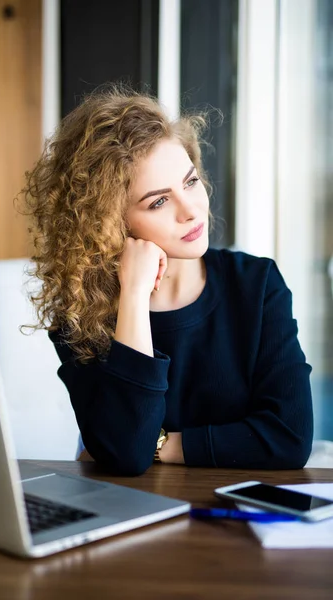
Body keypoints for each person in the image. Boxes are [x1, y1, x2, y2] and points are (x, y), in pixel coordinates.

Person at [21, 85, 313, 476]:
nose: (191, 210)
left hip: (240, 515)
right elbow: (126, 454)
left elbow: (290, 438)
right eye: (159, 201)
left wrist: (164, 444)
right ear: (108, 224)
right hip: (132, 519)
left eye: (190, 182)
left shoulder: (257, 285)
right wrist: (135, 296)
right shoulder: (81, 316)